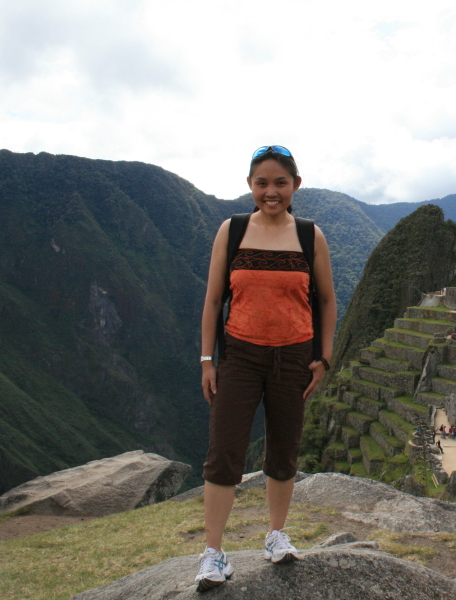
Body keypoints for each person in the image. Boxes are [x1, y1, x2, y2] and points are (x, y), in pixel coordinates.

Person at [195, 145, 337, 592]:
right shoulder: (232, 231)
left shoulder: (311, 235)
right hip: (239, 355)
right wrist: (207, 359)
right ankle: (214, 553)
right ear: (250, 186)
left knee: (283, 450)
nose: (271, 192)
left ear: (296, 185)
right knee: (224, 453)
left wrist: (324, 357)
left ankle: (276, 534)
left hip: (294, 356)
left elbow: (328, 300)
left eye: (280, 182)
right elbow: (214, 299)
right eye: (262, 183)